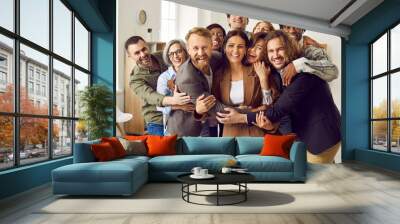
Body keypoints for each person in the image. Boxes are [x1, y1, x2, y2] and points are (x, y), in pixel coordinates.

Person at [216, 30, 341, 163]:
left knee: (315, 179)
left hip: (321, 137)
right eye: (271, 51)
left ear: (289, 48)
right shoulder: (276, 73)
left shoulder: (303, 74)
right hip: (303, 136)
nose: (275, 55)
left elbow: (277, 110)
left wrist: (240, 117)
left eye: (280, 49)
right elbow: (275, 108)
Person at [126, 36, 191, 135]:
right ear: (130, 56)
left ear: (147, 46)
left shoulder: (162, 55)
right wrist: (175, 101)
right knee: (162, 150)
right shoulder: (135, 79)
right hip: (157, 119)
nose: (143, 54)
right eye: (137, 53)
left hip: (179, 114)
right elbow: (152, 97)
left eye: (144, 49)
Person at [167, 27, 223, 137]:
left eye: (204, 47)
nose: (201, 53)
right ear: (188, 50)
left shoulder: (216, 58)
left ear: (211, 46)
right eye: (195, 48)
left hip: (206, 124)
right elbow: (216, 108)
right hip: (183, 132)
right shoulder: (187, 77)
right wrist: (249, 113)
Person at [212, 30, 268, 136]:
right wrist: (244, 110)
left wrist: (263, 79)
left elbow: (268, 106)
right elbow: (215, 108)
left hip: (255, 130)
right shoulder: (218, 75)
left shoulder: (256, 71)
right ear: (224, 48)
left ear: (246, 49)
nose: (235, 51)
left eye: (240, 46)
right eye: (231, 46)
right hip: (230, 132)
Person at [156, 39, 194, 135]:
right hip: (173, 128)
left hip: (197, 126)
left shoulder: (196, 72)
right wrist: (179, 106)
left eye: (178, 52)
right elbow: (159, 107)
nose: (175, 56)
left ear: (185, 52)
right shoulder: (164, 78)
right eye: (171, 54)